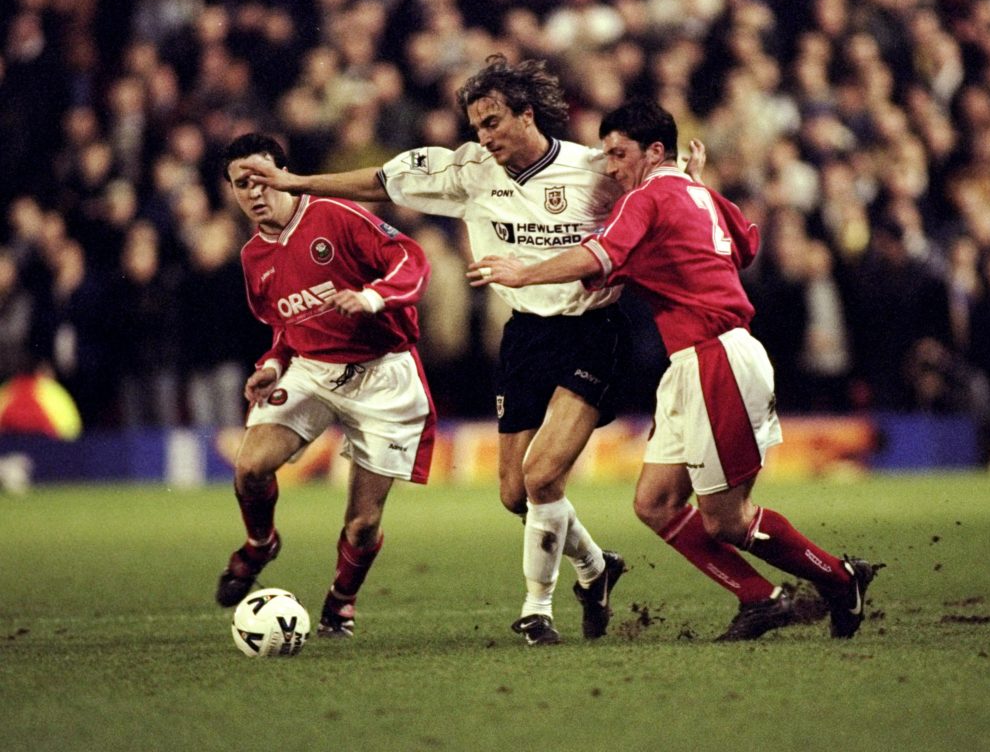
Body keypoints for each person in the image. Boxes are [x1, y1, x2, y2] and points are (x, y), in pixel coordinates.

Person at [243, 55, 627, 645]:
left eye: (494, 122)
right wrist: (298, 184)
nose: (484, 137)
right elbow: (382, 182)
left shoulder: (594, 170)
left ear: (528, 115)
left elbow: (657, 202)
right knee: (513, 493)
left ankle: (538, 608)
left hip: (592, 330)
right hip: (526, 332)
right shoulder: (470, 171)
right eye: (476, 126)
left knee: (544, 474)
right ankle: (596, 568)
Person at [468, 98, 877, 641]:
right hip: (691, 363)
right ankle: (760, 597)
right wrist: (694, 189)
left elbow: (599, 256)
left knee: (726, 519)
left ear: (655, 150)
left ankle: (838, 577)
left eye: (618, 154)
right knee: (655, 504)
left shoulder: (649, 197)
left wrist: (524, 274)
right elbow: (745, 247)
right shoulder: (694, 192)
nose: (610, 167)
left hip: (718, 359)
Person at [216, 132, 436, 640]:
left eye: (261, 178)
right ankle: (260, 544)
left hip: (383, 374)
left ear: (284, 176)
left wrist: (374, 297)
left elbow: (411, 259)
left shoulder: (334, 216)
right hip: (312, 370)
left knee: (361, 523)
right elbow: (283, 326)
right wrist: (272, 364)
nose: (252, 191)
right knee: (250, 467)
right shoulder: (253, 257)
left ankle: (340, 603)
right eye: (239, 184)